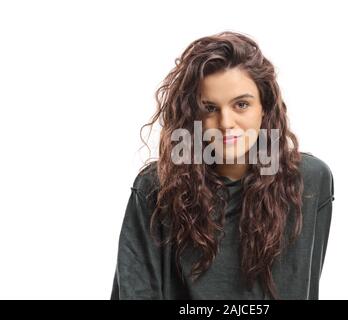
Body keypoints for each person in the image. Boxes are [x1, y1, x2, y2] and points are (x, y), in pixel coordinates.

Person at [110, 31, 335, 300]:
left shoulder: (310, 181)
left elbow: (301, 286)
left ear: (265, 107)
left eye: (241, 104)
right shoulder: (156, 187)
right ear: (193, 114)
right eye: (209, 108)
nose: (226, 123)